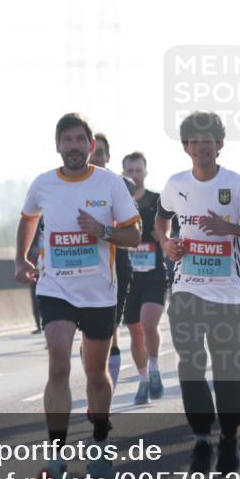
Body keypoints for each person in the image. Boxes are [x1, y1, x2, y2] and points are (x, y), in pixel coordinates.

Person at [15, 113, 141, 479]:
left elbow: (134, 236)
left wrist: (102, 231)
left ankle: (99, 442)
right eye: (66, 140)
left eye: (79, 140)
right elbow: (28, 219)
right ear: (57, 145)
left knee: (96, 373)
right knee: (58, 362)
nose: (73, 146)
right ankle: (55, 455)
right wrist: (22, 257)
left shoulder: (110, 184)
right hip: (56, 288)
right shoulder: (43, 184)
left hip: (100, 292)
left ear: (90, 145)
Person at [155, 112, 240, 474]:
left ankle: (228, 439)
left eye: (209, 140)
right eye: (195, 140)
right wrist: (167, 244)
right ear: (186, 147)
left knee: (228, 372)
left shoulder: (237, 186)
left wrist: (230, 228)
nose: (202, 146)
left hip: (229, 296)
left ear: (220, 145)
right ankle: (201, 440)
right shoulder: (175, 184)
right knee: (190, 367)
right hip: (186, 291)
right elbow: (161, 220)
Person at [90, 133, 137, 389]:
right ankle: (96, 383)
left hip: (116, 264)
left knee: (110, 331)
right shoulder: (69, 185)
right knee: (89, 336)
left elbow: (133, 228)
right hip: (83, 266)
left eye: (100, 153)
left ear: (108, 156)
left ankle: (108, 391)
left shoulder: (122, 186)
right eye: (92, 152)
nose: (96, 157)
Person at [121, 151, 167, 404]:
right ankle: (143, 380)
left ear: (145, 173)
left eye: (139, 171)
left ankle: (155, 366)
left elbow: (167, 230)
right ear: (123, 172)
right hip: (128, 278)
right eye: (130, 171)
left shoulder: (157, 200)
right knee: (136, 333)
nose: (134, 175)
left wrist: (162, 235)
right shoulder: (117, 202)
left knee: (149, 324)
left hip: (154, 274)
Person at [26, 217, 44, 334]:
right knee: (35, 299)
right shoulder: (31, 242)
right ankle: (39, 325)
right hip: (35, 273)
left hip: (47, 274)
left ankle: (45, 325)